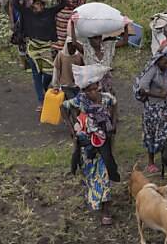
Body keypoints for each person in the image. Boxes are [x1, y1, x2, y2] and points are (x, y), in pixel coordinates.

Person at [62, 69, 119, 226]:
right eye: (90, 90)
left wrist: (113, 124)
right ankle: (94, 198)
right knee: (90, 173)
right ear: (85, 91)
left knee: (105, 172)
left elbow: (115, 105)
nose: (93, 92)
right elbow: (63, 107)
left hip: (103, 143)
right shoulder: (80, 101)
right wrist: (71, 129)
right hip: (87, 144)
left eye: (95, 88)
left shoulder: (106, 99)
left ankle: (106, 209)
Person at [133, 46, 167, 175]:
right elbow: (142, 89)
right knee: (152, 135)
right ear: (158, 60)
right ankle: (151, 163)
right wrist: (158, 95)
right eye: (165, 62)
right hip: (153, 109)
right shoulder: (152, 70)